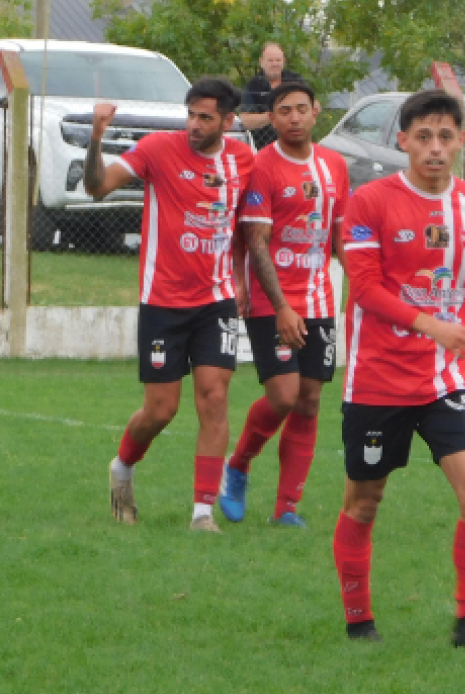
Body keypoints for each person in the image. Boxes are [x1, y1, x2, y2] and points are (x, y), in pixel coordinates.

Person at [333, 89, 465, 649]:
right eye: (424, 137)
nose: (435, 148)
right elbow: (363, 289)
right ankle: (359, 619)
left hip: (446, 378)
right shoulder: (368, 202)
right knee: (364, 500)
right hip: (378, 377)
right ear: (403, 141)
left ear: (460, 141)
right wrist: (431, 325)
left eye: (446, 136)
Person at [83, 77, 255, 533]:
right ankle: (122, 465)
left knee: (215, 398)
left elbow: (246, 227)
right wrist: (96, 138)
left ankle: (202, 512)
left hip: (215, 301)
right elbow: (97, 187)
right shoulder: (158, 150)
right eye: (191, 115)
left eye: (205, 117)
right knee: (161, 410)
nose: (194, 125)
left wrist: (240, 278)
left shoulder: (243, 160)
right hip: (162, 301)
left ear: (227, 121)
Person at [218, 81, 350, 527]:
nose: (293, 117)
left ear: (316, 112)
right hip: (271, 301)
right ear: (271, 119)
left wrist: (363, 285)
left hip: (320, 299)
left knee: (310, 401)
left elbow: (341, 236)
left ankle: (286, 508)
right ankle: (238, 464)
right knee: (283, 395)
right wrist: (281, 307)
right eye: (283, 110)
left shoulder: (336, 167)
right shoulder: (262, 167)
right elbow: (257, 244)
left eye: (301, 109)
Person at [240, 43, 309, 150]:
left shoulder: (296, 80)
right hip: (262, 148)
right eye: (270, 60)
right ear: (261, 62)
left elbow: (314, 106)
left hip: (294, 145)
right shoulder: (253, 85)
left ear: (284, 61)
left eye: (278, 60)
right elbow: (245, 121)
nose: (275, 64)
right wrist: (275, 114)